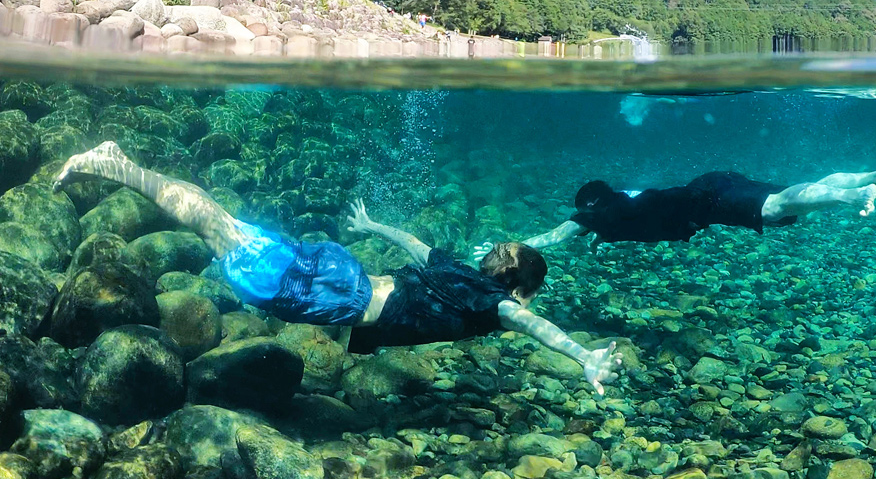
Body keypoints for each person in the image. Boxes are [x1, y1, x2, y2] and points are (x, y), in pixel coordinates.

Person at [52, 142, 621, 394]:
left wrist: (373, 228)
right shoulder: (490, 305)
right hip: (332, 292)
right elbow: (537, 329)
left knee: (222, 223)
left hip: (339, 272)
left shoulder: (462, 276)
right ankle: (116, 167)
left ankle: (124, 164)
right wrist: (584, 355)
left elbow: (415, 242)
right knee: (218, 228)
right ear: (517, 290)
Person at [476, 166, 876, 254]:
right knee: (789, 200)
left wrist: (500, 249)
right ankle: (874, 175)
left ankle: (851, 195)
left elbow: (549, 239)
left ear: (587, 204)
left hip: (707, 200)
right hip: (709, 186)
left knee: (779, 207)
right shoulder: (620, 199)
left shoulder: (593, 215)